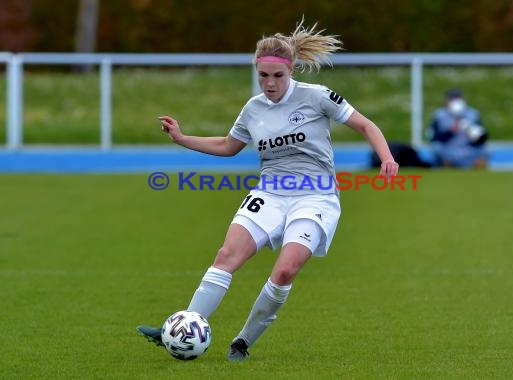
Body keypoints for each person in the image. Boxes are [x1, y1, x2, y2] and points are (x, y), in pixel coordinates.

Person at [137, 19, 399, 361]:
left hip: (316, 195)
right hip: (270, 192)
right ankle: (186, 326)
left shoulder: (317, 97)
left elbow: (365, 124)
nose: (270, 83)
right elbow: (229, 145)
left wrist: (387, 157)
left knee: (285, 270)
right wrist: (182, 138)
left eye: (278, 76)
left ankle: (242, 342)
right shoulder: (253, 108)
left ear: (291, 70)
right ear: (256, 72)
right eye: (264, 76)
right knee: (226, 256)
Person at [427, 89, 489, 169]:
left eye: (458, 99)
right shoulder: (439, 115)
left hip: (469, 149)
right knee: (438, 149)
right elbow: (433, 138)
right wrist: (451, 131)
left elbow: (483, 138)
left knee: (483, 151)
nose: (455, 102)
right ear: (446, 101)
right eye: (452, 99)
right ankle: (447, 169)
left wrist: (472, 134)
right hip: (448, 150)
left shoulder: (473, 114)